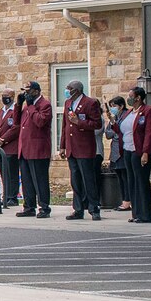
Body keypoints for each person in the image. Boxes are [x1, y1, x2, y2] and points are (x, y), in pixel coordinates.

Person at [59, 79, 103, 221]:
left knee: (88, 179)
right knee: (75, 180)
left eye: (69, 88)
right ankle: (78, 209)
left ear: (76, 90)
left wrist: (80, 122)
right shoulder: (68, 103)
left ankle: (94, 208)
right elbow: (65, 125)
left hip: (84, 148)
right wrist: (62, 146)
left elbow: (97, 123)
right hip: (71, 147)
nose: (66, 90)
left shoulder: (90, 103)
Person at [15, 81, 53, 218]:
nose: (26, 93)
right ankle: (29, 207)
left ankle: (44, 207)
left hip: (38, 149)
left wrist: (31, 106)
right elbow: (16, 122)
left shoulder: (45, 105)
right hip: (24, 149)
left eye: (28, 91)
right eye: (24, 91)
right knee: (27, 181)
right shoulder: (26, 107)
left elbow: (40, 122)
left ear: (36, 91)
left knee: (40, 180)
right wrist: (19, 105)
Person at [120, 87, 151, 223]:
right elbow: (122, 129)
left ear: (138, 98)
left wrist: (145, 152)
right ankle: (136, 213)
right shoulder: (129, 112)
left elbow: (149, 133)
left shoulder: (148, 111)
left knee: (141, 181)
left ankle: (145, 214)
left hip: (140, 151)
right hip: (128, 150)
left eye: (131, 96)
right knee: (132, 182)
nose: (128, 98)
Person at [0, 89, 23, 209]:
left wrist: (3, 139)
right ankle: (5, 196)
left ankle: (12, 197)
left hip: (11, 146)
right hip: (0, 148)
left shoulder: (15, 111)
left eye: (7, 96)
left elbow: (15, 127)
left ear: (12, 96)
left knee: (12, 173)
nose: (5, 98)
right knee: (3, 172)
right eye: (3, 96)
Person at [103, 96, 129, 213]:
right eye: (111, 106)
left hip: (123, 150)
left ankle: (128, 200)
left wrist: (115, 130)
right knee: (119, 177)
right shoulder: (114, 117)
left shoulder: (126, 115)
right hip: (114, 151)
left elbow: (122, 131)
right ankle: (123, 200)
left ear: (121, 106)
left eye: (114, 106)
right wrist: (113, 128)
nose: (112, 108)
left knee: (126, 177)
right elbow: (108, 134)